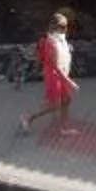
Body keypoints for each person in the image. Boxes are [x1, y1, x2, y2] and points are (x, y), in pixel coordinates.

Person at [18, 10, 77, 139]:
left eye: (66, 26)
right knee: (54, 105)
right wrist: (69, 81)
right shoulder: (51, 42)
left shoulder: (59, 39)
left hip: (60, 75)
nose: (66, 29)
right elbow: (55, 65)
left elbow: (63, 54)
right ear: (55, 27)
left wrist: (68, 48)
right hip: (54, 77)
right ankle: (28, 117)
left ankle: (62, 129)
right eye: (63, 27)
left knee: (66, 101)